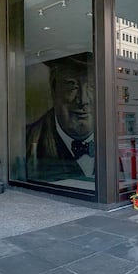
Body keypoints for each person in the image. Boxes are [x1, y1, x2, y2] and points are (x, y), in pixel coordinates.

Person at [25, 52, 95, 182]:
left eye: (92, 86)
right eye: (72, 86)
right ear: (53, 87)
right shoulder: (26, 141)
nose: (83, 100)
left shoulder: (112, 141)